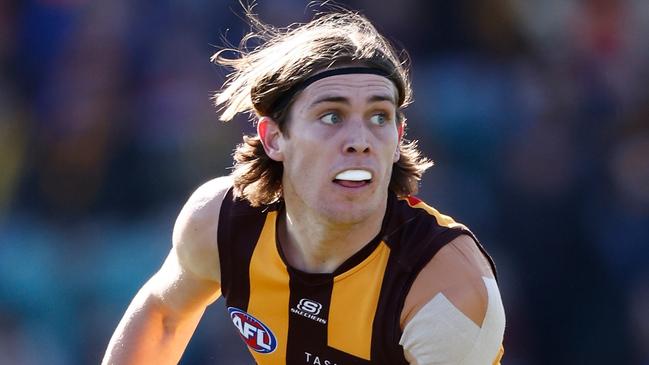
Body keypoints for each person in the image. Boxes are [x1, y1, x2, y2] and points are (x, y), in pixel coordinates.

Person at [102, 8, 505, 365]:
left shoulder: (445, 289)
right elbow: (163, 318)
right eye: (332, 116)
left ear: (399, 137)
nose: (361, 139)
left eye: (380, 117)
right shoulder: (221, 221)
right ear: (274, 137)